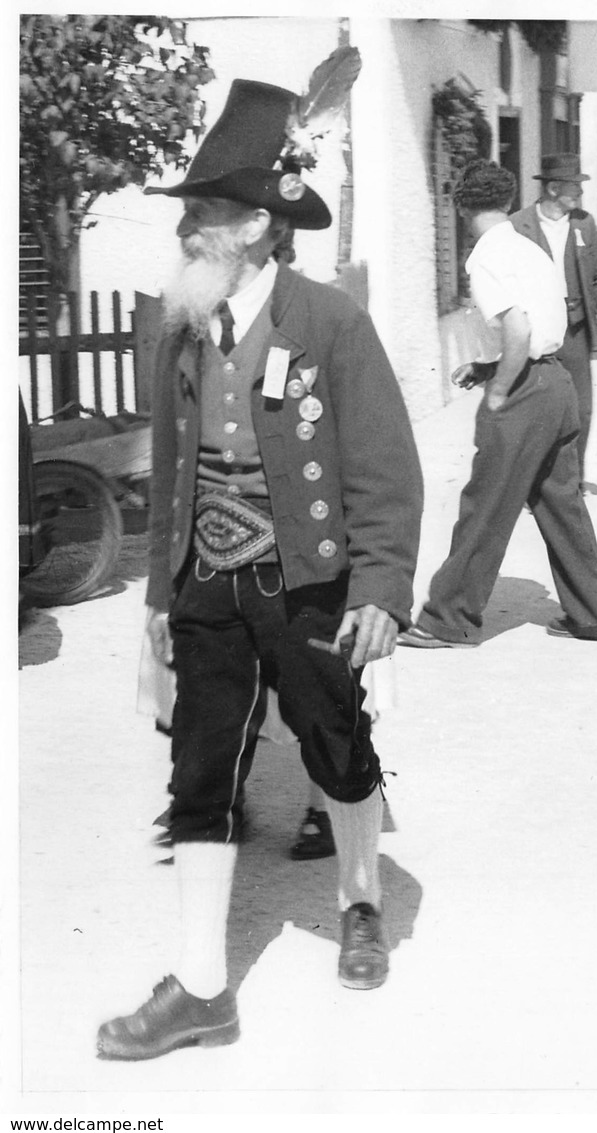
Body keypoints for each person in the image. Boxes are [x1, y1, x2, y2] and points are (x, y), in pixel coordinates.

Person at [96, 78, 423, 1061]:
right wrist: (159, 591)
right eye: (192, 209)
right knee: (198, 768)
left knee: (333, 745)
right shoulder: (184, 317)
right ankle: (201, 986)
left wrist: (378, 589)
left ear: (259, 224)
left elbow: (383, 464)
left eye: (207, 209)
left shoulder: (327, 321)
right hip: (206, 580)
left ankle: (359, 901)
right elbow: (171, 455)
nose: (190, 225)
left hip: (307, 582)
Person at [398, 160, 597, 650]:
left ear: (462, 207)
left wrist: (498, 389)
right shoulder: (531, 249)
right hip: (557, 382)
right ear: (506, 201)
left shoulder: (485, 258)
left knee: (486, 504)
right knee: (561, 503)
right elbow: (543, 326)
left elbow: (519, 329)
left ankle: (448, 619)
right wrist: (486, 368)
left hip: (524, 391)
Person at [511, 153, 597, 485]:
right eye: (576, 187)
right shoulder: (518, 225)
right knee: (536, 409)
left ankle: (571, 480)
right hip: (534, 330)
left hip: (574, 328)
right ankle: (534, 481)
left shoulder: (583, 223)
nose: (581, 194)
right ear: (554, 188)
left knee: (580, 409)